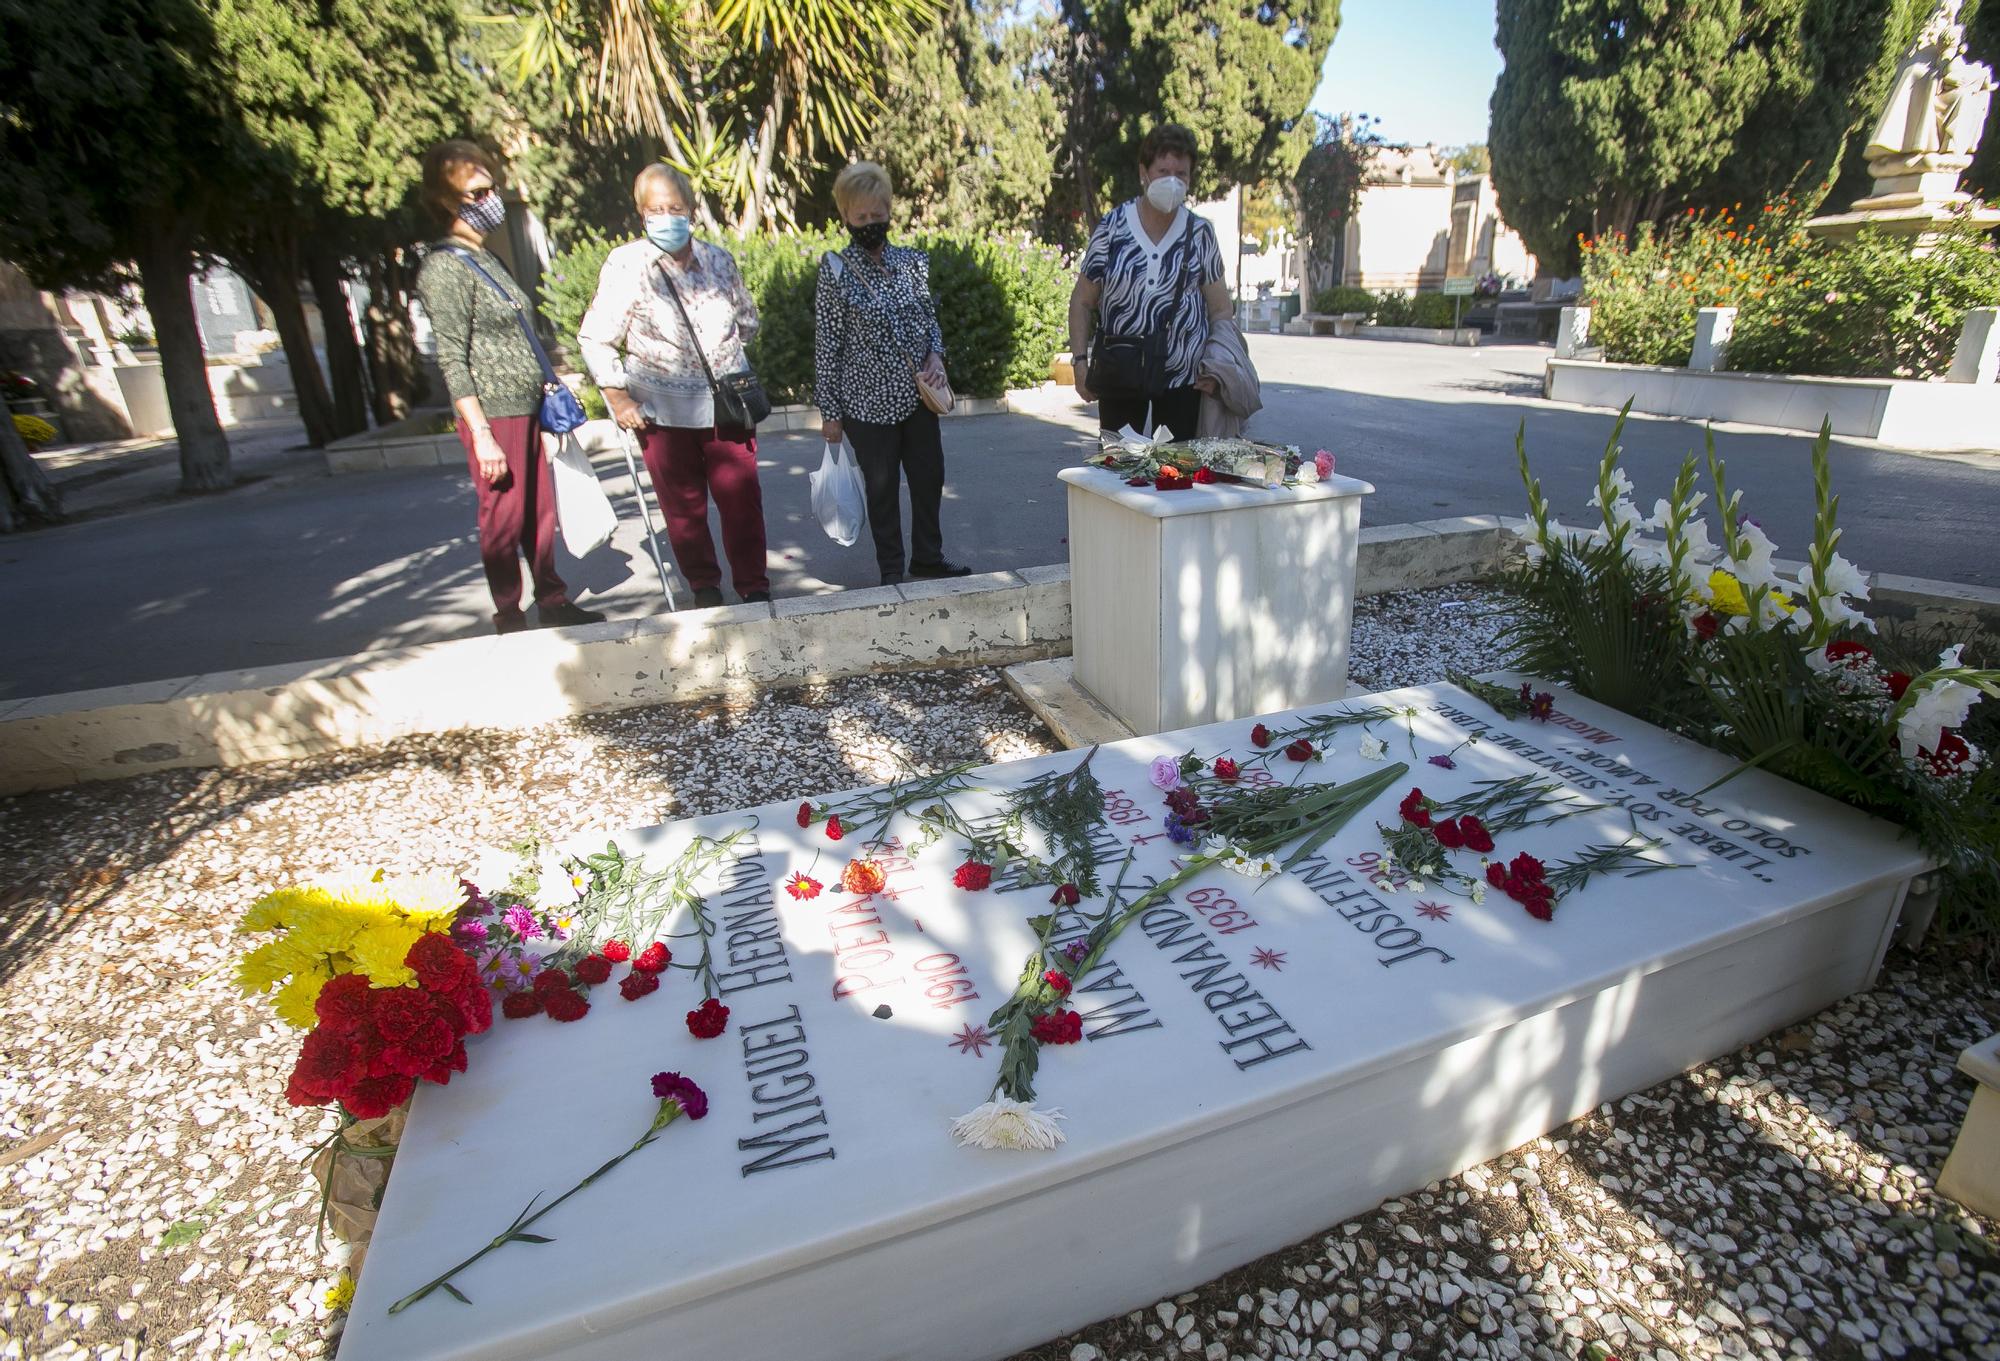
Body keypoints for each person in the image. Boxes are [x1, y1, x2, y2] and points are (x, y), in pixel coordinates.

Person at [414, 139, 602, 634]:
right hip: (492, 413)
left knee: (538, 513)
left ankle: (553, 598)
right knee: (503, 516)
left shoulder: (486, 258)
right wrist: (481, 434)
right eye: (477, 192)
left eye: (492, 187)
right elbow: (452, 356)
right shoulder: (444, 268)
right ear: (445, 200)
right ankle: (509, 614)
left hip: (524, 406)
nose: (490, 199)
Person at [578, 164, 771, 608]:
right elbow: (595, 335)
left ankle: (754, 585)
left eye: (675, 208)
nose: (667, 217)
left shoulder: (719, 259)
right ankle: (704, 585)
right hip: (661, 410)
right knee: (683, 510)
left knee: (742, 502)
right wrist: (617, 395)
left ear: (691, 209)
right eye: (655, 209)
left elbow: (747, 321)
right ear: (641, 213)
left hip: (726, 404)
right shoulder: (627, 264)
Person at [813, 161, 971, 587]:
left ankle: (928, 556)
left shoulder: (912, 263)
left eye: (877, 215)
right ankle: (890, 569)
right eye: (861, 217)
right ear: (846, 217)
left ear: (889, 213)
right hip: (865, 402)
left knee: (928, 478)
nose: (870, 224)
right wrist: (830, 412)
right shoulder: (835, 270)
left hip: (918, 395)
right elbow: (827, 344)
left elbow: (929, 320)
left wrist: (937, 356)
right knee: (881, 490)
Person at [1068, 124, 1233, 438]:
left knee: (1177, 476)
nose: (1172, 180)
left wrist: (1216, 366)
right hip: (1120, 373)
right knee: (1115, 475)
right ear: (1144, 172)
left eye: (1181, 174)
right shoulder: (1112, 227)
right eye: (1163, 170)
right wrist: (1079, 362)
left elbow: (1221, 310)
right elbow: (1082, 300)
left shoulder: (1200, 234)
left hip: (1183, 379)